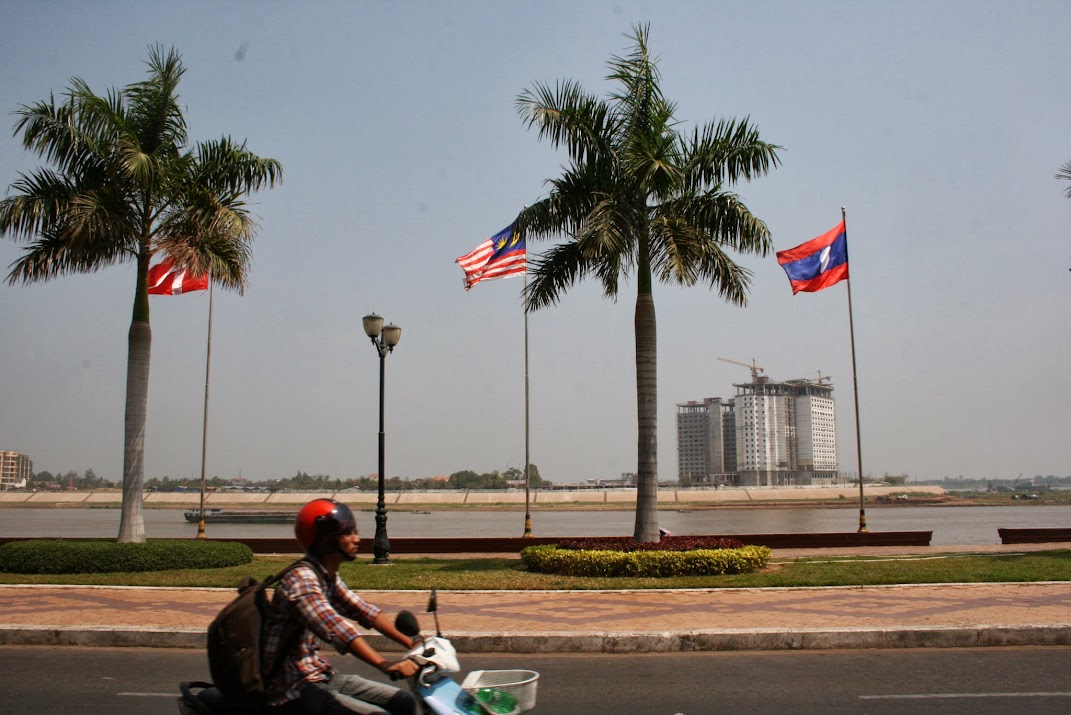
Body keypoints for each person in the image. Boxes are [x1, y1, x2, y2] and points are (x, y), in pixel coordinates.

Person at [262, 498, 420, 714]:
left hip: (321, 675)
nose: (357, 539)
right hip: (292, 687)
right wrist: (383, 663)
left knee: (403, 701)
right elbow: (337, 629)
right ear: (325, 540)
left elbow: (364, 611)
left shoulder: (326, 576)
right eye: (347, 533)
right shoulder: (302, 580)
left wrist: (412, 644)